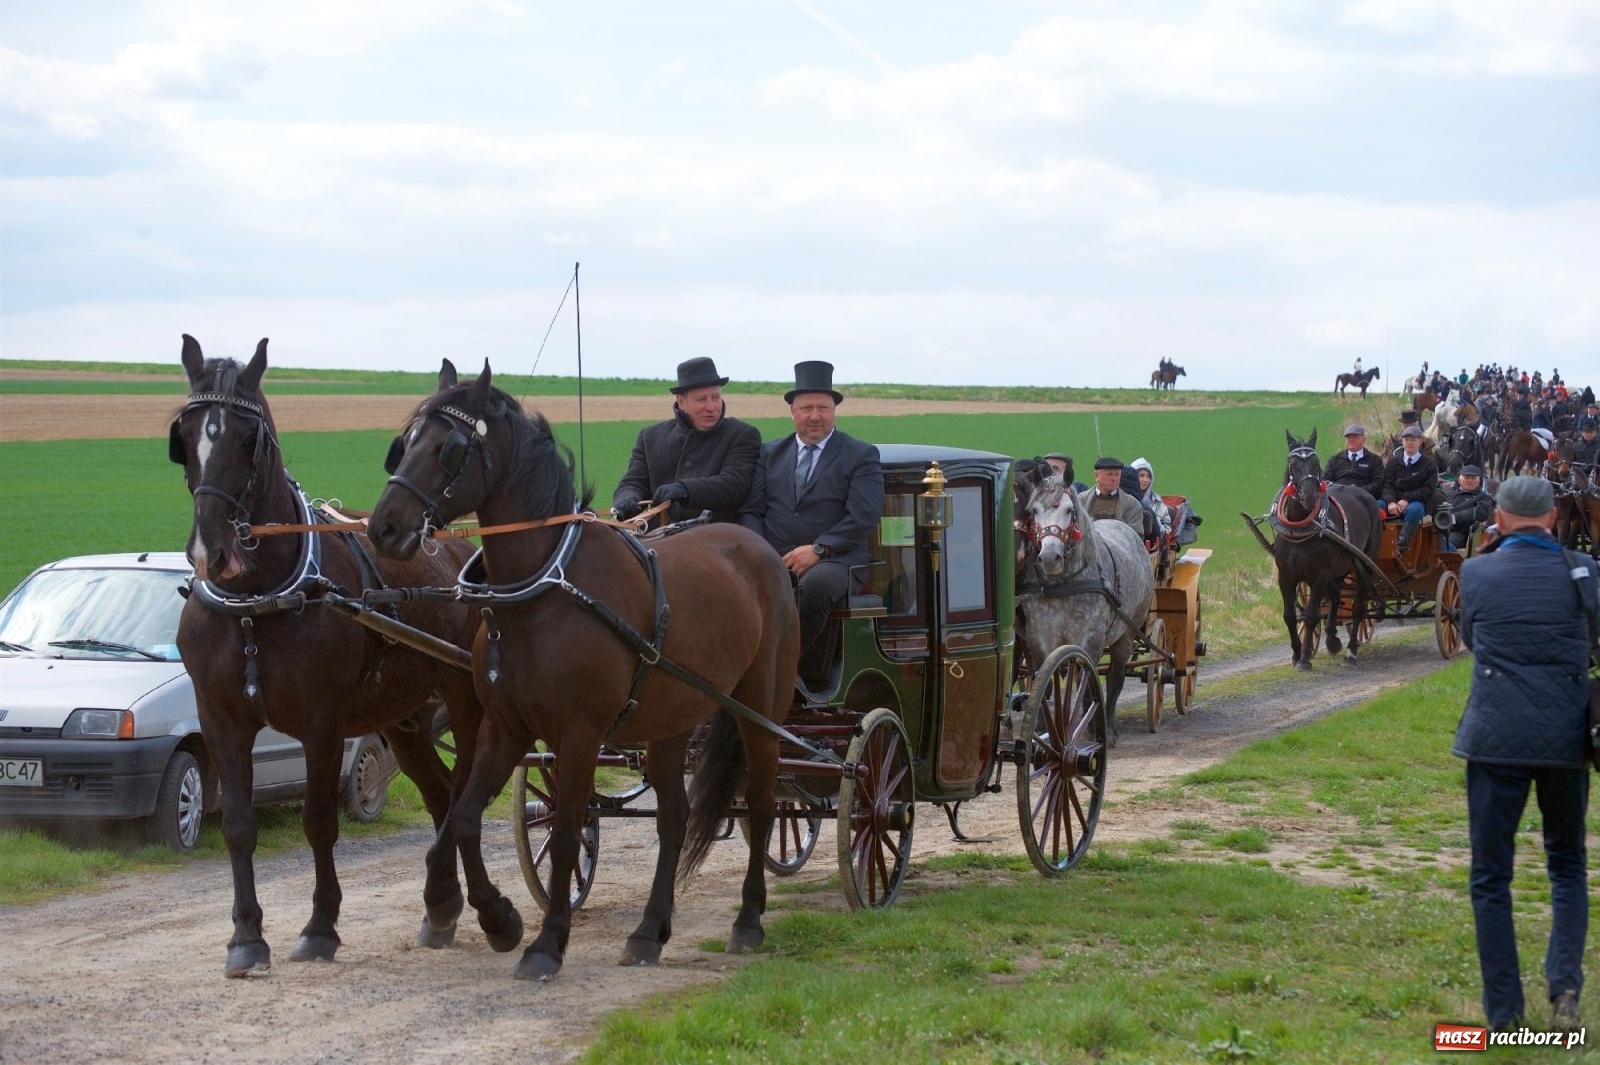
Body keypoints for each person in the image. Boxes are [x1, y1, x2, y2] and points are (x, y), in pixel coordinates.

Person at [1453, 475, 1594, 1033]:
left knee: (1491, 876)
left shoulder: (1477, 571)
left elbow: (1470, 637)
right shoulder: (1585, 572)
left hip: (1495, 738)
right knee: (1567, 864)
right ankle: (1564, 990)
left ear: (1501, 517)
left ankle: (1505, 1015)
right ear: (1554, 519)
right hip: (1566, 737)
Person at [740, 361, 884, 670]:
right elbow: (752, 510)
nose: (815, 416)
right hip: (774, 556)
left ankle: (784, 665)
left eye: (824, 407)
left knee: (813, 587)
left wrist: (819, 549)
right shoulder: (769, 454)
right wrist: (762, 553)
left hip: (838, 562)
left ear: (834, 411)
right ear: (792, 411)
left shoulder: (860, 455)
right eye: (806, 408)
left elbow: (863, 515)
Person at [611, 357, 760, 525]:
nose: (711, 406)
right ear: (681, 402)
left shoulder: (742, 434)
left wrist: (685, 490)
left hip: (716, 541)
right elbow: (632, 482)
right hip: (656, 542)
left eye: (716, 397)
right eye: (701, 399)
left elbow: (734, 485)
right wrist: (626, 498)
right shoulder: (649, 437)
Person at [1381, 425, 1438, 550]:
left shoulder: (1429, 465)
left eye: (1413, 439)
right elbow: (1386, 485)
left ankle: (1400, 548)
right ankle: (1377, 543)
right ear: (1402, 441)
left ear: (1420, 441)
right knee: (1374, 506)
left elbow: (1428, 489)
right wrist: (1390, 502)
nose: (1409, 443)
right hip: (1392, 500)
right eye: (1406, 440)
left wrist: (1407, 499)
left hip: (1416, 502)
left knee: (1415, 511)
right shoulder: (1393, 461)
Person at [1077, 456, 1144, 535]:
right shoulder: (1080, 501)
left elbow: (1135, 537)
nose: (1114, 479)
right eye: (1110, 474)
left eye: (1117, 475)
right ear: (1096, 476)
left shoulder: (1132, 505)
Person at [1439, 465, 1493, 550]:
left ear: (1479, 481)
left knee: (1442, 542)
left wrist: (1453, 518)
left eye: (1473, 478)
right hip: (1437, 528)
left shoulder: (1483, 497)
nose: (1470, 481)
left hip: (1459, 533)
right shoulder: (1445, 493)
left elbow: (1482, 513)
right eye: (1467, 477)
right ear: (1459, 480)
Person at [1323, 424, 1384, 499]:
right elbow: (1326, 481)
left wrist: (1358, 491)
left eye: (1355, 437)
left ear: (1364, 440)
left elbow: (1378, 483)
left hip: (1364, 499)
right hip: (1338, 497)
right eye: (1348, 437)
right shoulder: (1335, 459)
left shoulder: (1374, 460)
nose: (1351, 439)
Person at [1128, 458, 1173, 537]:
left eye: (1148, 476)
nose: (1145, 480)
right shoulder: (1124, 499)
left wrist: (1155, 523)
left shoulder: (1157, 501)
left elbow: (1167, 529)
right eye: (1141, 476)